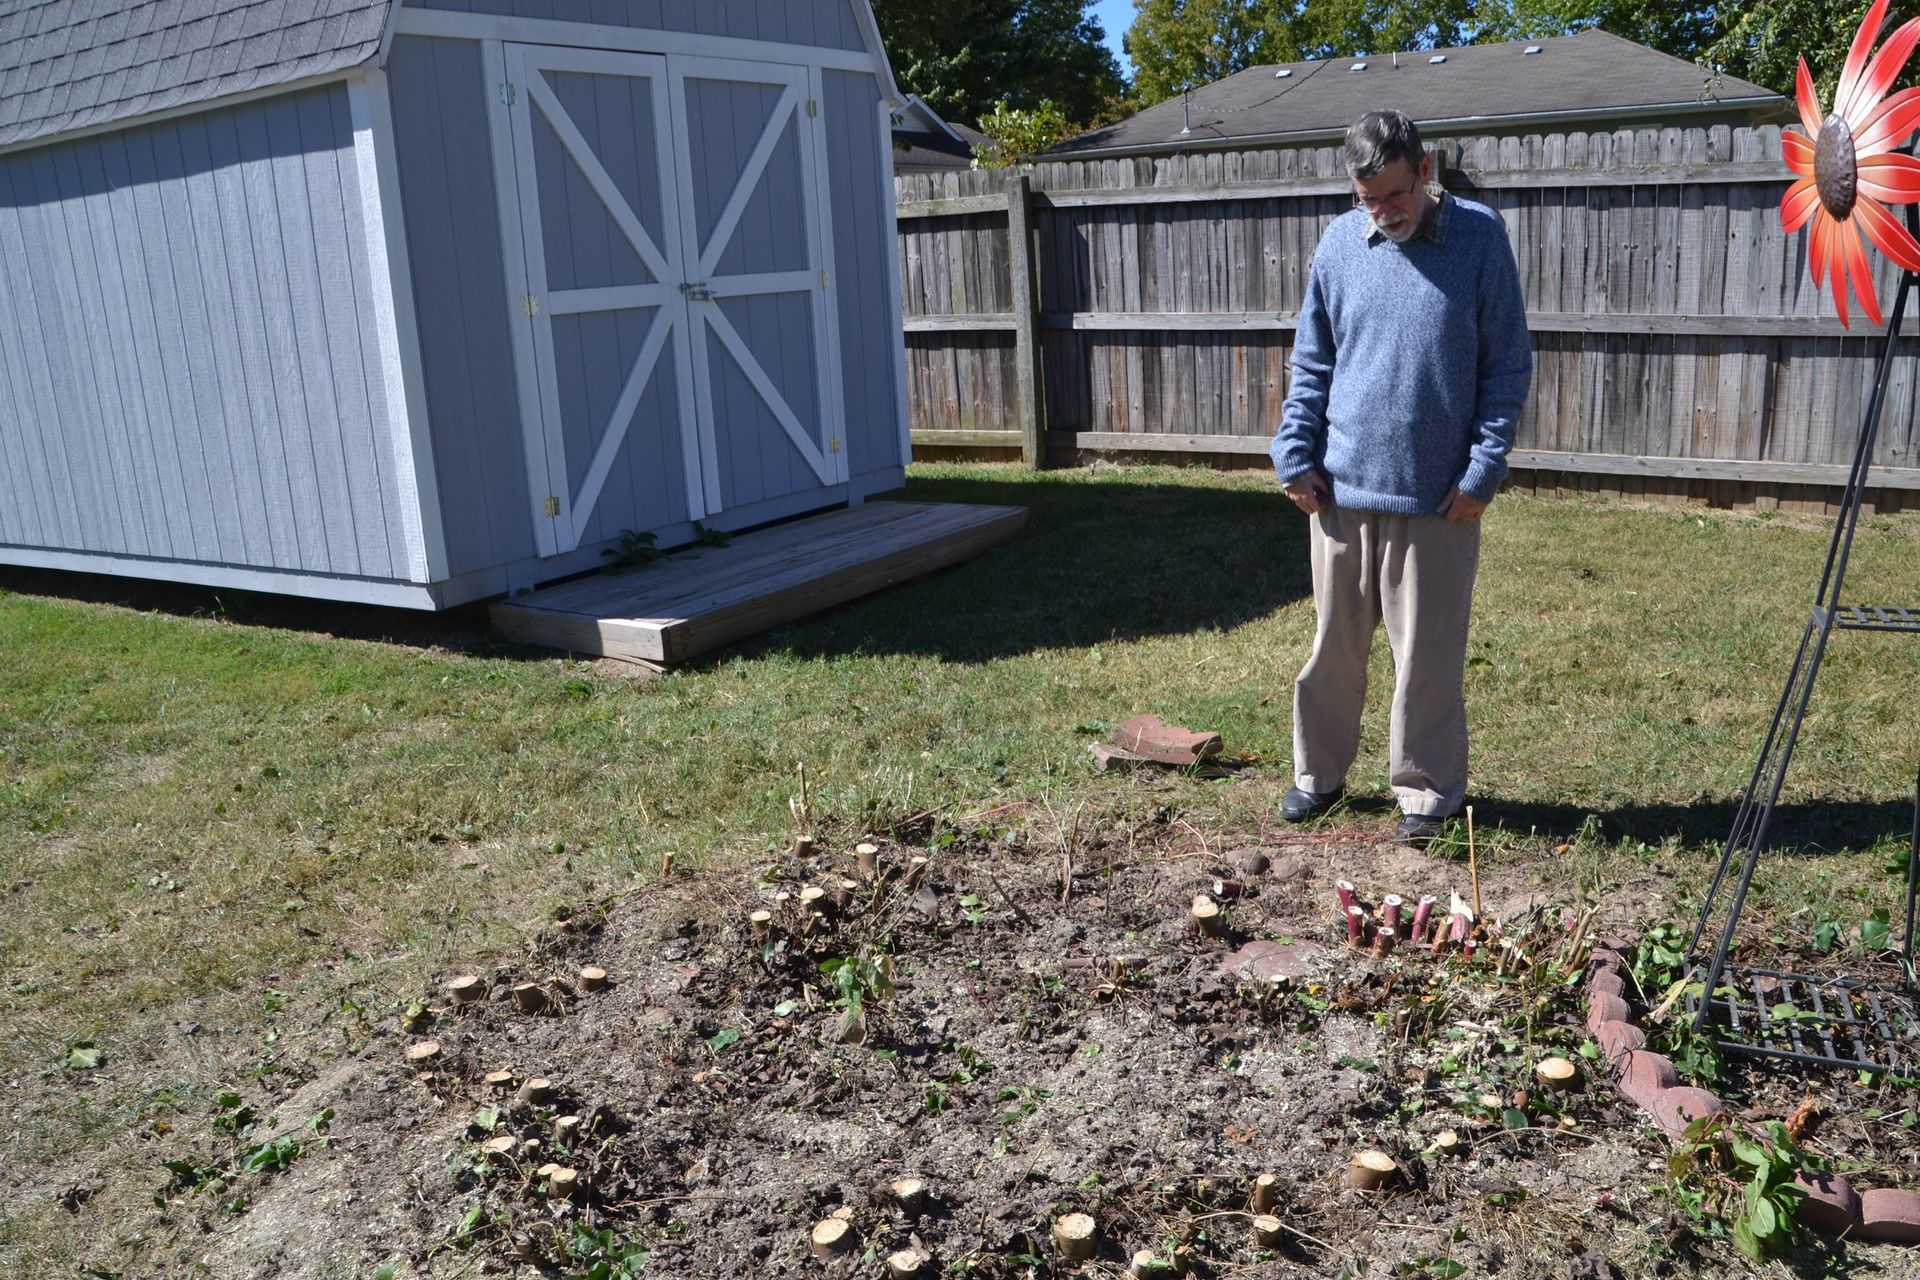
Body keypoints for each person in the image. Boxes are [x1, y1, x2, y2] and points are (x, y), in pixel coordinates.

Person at [1269, 109, 1532, 842]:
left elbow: (1506, 367)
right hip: (1341, 493)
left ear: (1425, 171)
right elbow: (1312, 361)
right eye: (1367, 200)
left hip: (1439, 501)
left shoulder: (1479, 238)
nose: (1383, 213)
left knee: (1427, 659)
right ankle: (1317, 777)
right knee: (1332, 653)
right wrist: (1294, 454)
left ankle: (1426, 794)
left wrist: (1484, 471)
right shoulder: (1339, 244)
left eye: (1394, 195)